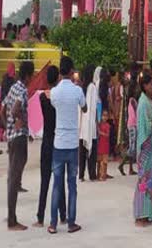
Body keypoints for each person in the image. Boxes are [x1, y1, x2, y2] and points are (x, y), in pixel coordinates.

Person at [48, 56, 87, 234]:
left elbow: (54, 105)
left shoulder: (55, 92)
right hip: (72, 143)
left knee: (57, 185)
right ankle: (71, 223)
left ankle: (53, 223)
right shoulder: (77, 91)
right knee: (72, 185)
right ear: (71, 71)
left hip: (58, 143)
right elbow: (84, 108)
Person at [0, 61, 34, 231]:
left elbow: (3, 109)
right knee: (14, 177)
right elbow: (14, 109)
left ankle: (10, 215)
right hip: (19, 137)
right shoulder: (23, 91)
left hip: (12, 136)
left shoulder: (13, 87)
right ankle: (12, 221)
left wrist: (8, 127)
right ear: (28, 75)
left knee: (12, 176)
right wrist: (18, 120)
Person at [34, 65, 66, 228]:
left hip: (46, 141)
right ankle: (63, 215)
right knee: (59, 180)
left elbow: (45, 96)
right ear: (58, 78)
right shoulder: (59, 98)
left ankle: (40, 217)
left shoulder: (42, 98)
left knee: (44, 180)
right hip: (58, 141)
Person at [134, 73, 152, 226]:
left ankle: (149, 212)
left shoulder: (150, 100)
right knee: (144, 180)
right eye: (150, 84)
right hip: (145, 146)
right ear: (144, 86)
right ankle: (140, 214)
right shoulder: (143, 102)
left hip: (151, 145)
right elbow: (144, 126)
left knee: (151, 180)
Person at [79, 65, 100, 182]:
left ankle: (81, 174)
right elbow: (94, 106)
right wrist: (96, 121)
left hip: (83, 122)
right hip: (90, 121)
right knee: (92, 150)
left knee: (82, 150)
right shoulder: (92, 87)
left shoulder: (82, 87)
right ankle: (92, 174)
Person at [0, 62, 17, 141]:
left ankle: (1, 135)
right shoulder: (13, 79)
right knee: (10, 118)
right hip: (11, 102)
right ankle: (8, 134)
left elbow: (2, 91)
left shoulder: (4, 79)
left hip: (3, 101)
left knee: (2, 117)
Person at [97, 110, 111, 181]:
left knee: (104, 162)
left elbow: (107, 135)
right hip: (100, 145)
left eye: (106, 116)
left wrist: (100, 132)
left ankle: (103, 175)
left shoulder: (108, 125)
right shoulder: (99, 124)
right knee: (99, 161)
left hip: (105, 145)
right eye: (103, 115)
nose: (105, 117)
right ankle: (99, 174)